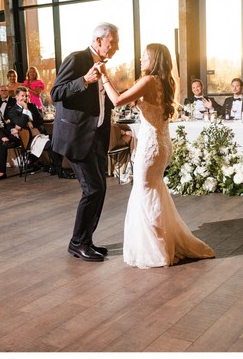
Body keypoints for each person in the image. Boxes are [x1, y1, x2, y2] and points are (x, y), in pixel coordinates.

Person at [98, 43, 216, 269]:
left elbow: (116, 101)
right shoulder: (166, 82)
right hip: (162, 144)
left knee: (145, 191)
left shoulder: (149, 81)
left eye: (144, 56)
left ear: (154, 59)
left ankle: (155, 248)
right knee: (155, 189)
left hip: (150, 146)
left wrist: (104, 76)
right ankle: (164, 240)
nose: (141, 60)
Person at [49, 23, 120, 262]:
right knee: (93, 188)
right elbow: (56, 93)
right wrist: (85, 80)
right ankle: (77, 243)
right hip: (77, 137)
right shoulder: (76, 59)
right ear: (99, 40)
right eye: (113, 43)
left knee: (100, 188)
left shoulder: (104, 65)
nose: (117, 47)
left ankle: (86, 240)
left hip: (96, 136)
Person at [6, 85, 59, 174]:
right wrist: (25, 109)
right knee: (50, 144)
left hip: (39, 134)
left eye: (26, 95)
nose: (25, 98)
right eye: (22, 96)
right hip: (27, 139)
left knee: (57, 140)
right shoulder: (12, 111)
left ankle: (54, 166)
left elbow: (40, 120)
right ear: (16, 97)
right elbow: (21, 123)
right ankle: (59, 169)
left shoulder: (32, 105)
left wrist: (31, 122)